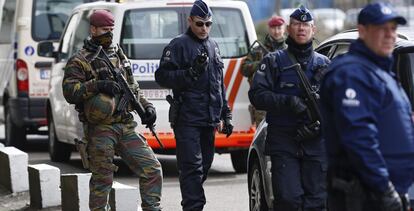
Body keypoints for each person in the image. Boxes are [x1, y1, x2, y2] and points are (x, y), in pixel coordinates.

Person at [62, 10, 162, 211]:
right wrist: (97, 85)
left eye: (111, 30)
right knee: (102, 180)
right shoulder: (80, 60)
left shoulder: (118, 54)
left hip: (125, 125)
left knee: (152, 169)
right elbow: (69, 92)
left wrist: (147, 107)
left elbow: (133, 88)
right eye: (104, 30)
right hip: (100, 129)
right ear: (93, 29)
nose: (109, 34)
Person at [320, 2, 414, 211]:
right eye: (382, 29)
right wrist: (384, 188)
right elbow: (359, 138)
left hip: (384, 190)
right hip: (364, 194)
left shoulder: (380, 73)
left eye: (393, 29)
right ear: (362, 31)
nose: (390, 35)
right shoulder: (352, 74)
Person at [249, 5, 330, 211]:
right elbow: (257, 95)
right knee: (288, 200)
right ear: (289, 29)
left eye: (305, 25)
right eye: (296, 24)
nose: (301, 28)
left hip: (316, 144)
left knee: (316, 202)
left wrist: (321, 126)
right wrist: (288, 102)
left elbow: (337, 108)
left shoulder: (326, 65)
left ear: (314, 30)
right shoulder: (274, 61)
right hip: (285, 142)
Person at [155, 0, 233, 210]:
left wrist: (226, 114)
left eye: (208, 24)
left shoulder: (213, 45)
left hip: (209, 118)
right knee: (192, 169)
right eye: (200, 24)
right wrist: (189, 73)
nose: (204, 28)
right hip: (187, 118)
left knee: (204, 167)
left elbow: (219, 83)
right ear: (190, 21)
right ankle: (193, 206)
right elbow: (162, 76)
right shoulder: (178, 45)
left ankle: (192, 201)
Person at [241, 15, 287, 126]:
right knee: (263, 137)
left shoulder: (290, 50)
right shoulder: (258, 50)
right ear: (269, 28)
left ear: (284, 29)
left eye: (279, 28)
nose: (276, 31)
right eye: (273, 28)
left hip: (285, 99)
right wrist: (262, 63)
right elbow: (244, 69)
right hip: (263, 100)